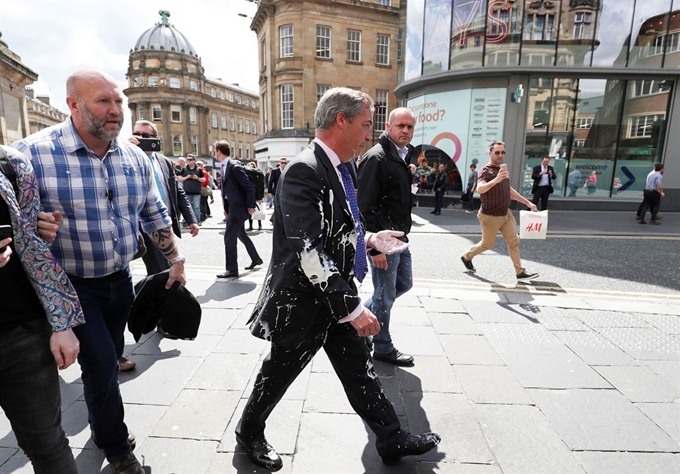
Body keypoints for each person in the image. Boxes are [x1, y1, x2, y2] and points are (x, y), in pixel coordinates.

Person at [235, 87, 441, 472]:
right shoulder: (303, 170)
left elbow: (334, 230)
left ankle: (392, 439)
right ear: (341, 121)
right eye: (365, 126)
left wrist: (368, 240)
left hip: (333, 301)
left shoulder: (343, 167)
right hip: (304, 303)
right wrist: (352, 306)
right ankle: (248, 433)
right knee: (278, 374)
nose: (369, 135)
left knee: (359, 371)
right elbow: (308, 249)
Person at [14, 68, 187, 474]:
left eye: (119, 101)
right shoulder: (31, 155)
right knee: (103, 364)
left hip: (119, 280)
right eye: (104, 102)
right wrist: (34, 222)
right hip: (70, 286)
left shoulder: (133, 157)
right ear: (73, 104)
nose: (116, 111)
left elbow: (154, 214)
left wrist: (176, 260)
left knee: (106, 361)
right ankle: (116, 447)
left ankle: (101, 420)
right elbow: (16, 226)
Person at [0, 145, 83, 474]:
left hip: (23, 333)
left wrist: (61, 323)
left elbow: (31, 246)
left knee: (48, 445)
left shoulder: (11, 163)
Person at [357, 106, 416, 367]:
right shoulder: (377, 157)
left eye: (410, 127)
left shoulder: (401, 155)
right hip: (383, 242)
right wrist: (374, 249)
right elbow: (364, 206)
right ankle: (382, 346)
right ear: (389, 127)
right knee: (385, 294)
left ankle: (359, 318)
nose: (405, 130)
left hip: (400, 239)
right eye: (400, 126)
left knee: (402, 285)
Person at [460, 141, 539, 282]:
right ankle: (467, 256)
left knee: (514, 241)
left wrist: (527, 202)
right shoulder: (486, 170)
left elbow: (509, 190)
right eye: (497, 152)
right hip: (490, 216)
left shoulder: (503, 170)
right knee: (487, 244)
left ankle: (519, 272)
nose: (500, 155)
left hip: (506, 215)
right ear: (490, 153)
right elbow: (480, 189)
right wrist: (496, 179)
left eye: (503, 152)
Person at [214, 140, 263, 278]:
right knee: (241, 233)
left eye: (215, 151)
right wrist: (226, 207)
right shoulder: (224, 166)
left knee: (229, 237)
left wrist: (250, 206)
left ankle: (232, 269)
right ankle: (255, 258)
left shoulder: (234, 166)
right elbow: (227, 190)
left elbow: (249, 187)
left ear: (218, 151)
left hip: (238, 208)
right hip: (232, 208)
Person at [178, 154, 205, 225]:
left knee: (196, 207)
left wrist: (197, 178)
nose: (189, 161)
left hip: (196, 192)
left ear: (194, 161)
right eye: (188, 160)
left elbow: (204, 179)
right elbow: (180, 179)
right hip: (187, 192)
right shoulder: (184, 169)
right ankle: (188, 221)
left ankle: (197, 221)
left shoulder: (199, 169)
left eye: (190, 160)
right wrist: (187, 177)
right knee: (187, 207)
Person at [246, 162, 263, 231]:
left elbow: (261, 186)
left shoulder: (258, 175)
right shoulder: (246, 175)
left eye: (252, 167)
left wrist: (260, 197)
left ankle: (260, 225)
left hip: (257, 195)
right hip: (249, 195)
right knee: (250, 210)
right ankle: (250, 226)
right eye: (249, 167)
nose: (251, 168)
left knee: (258, 210)